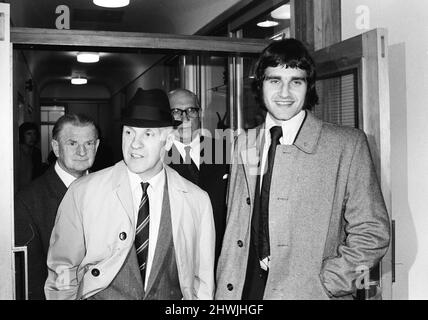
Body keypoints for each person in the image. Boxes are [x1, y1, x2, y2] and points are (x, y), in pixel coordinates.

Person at [215, 38, 390, 300]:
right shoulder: (244, 142)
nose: (284, 93)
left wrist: (328, 284)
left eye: (296, 81)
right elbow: (236, 223)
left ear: (308, 88)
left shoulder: (346, 144)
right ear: (260, 85)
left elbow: (372, 231)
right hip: (244, 291)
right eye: (275, 81)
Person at [44, 88, 215, 300]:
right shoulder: (84, 192)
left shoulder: (196, 200)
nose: (135, 143)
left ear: (169, 140)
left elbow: (203, 283)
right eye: (129, 132)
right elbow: (62, 267)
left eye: (148, 134)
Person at [14, 114, 100, 300]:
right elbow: (30, 277)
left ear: (97, 146)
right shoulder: (28, 201)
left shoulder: (110, 190)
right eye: (72, 143)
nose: (82, 152)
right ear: (56, 148)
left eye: (89, 143)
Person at [167, 88, 229, 267]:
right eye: (176, 111)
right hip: (175, 260)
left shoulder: (223, 151)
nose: (185, 118)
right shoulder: (155, 158)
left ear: (199, 113)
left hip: (218, 256)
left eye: (191, 110)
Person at [17, 122, 43, 190]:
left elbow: (38, 173)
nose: (32, 137)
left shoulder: (36, 152)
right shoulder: (16, 152)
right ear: (22, 135)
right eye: (29, 134)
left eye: (34, 134)